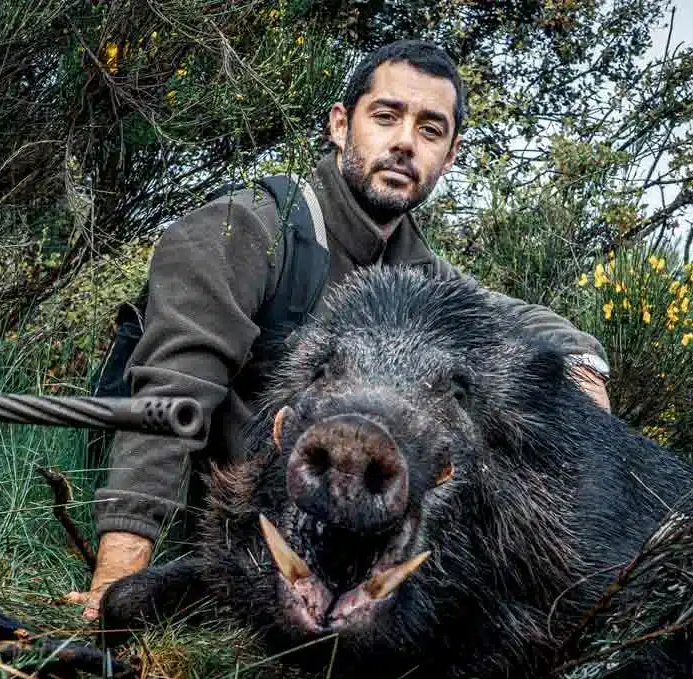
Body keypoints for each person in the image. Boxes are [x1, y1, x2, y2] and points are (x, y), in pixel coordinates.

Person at [64, 39, 612, 621]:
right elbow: (172, 397)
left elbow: (506, 316)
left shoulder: (417, 274)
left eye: (431, 130)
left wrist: (582, 359)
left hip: (324, 526)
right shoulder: (245, 227)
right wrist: (120, 571)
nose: (405, 142)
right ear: (340, 124)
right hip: (198, 516)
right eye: (386, 116)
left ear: (448, 158)